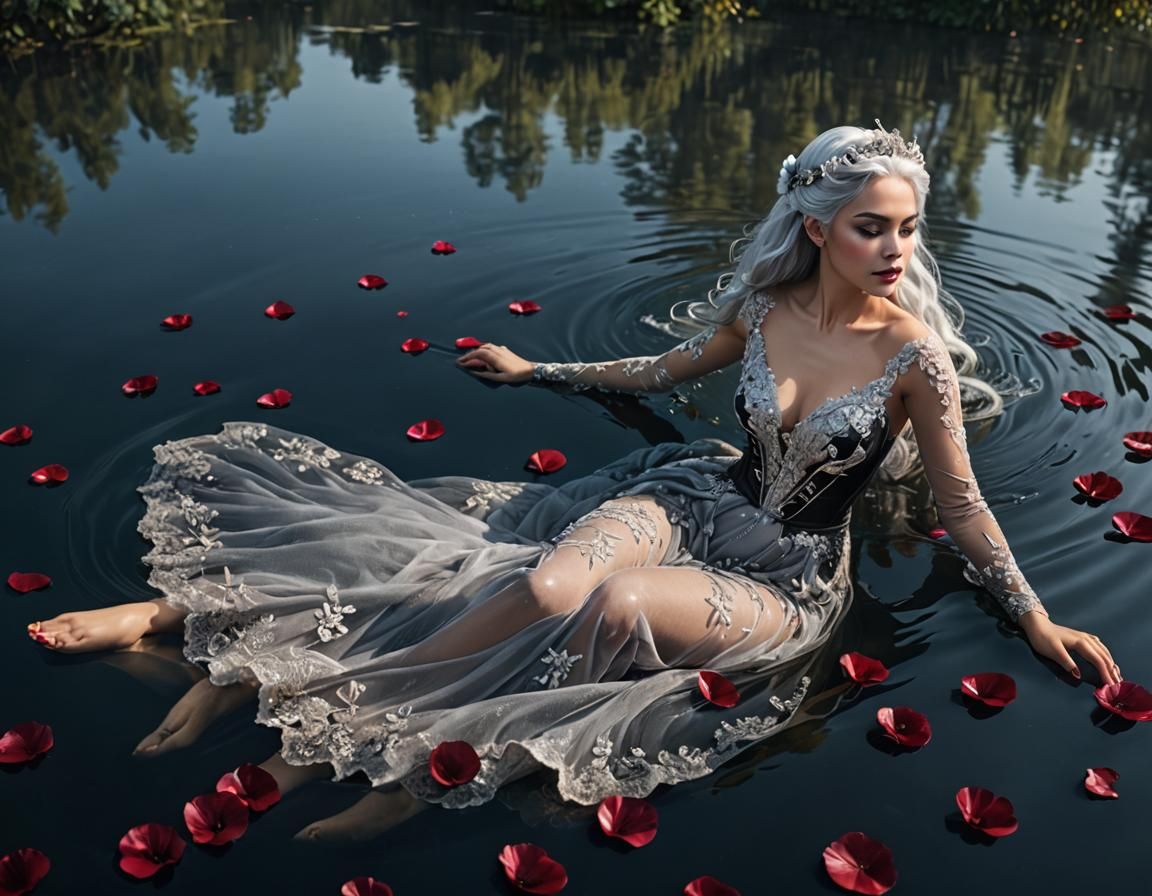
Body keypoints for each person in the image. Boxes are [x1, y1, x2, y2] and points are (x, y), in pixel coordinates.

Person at [26, 122, 1120, 842]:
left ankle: (403, 759)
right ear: (817, 227)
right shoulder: (768, 309)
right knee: (549, 584)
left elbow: (965, 501)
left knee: (619, 603)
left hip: (786, 569)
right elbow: (658, 369)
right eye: (871, 226)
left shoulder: (914, 358)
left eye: (908, 227)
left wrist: (1032, 618)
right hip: (695, 493)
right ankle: (285, 676)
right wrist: (532, 367)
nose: (895, 247)